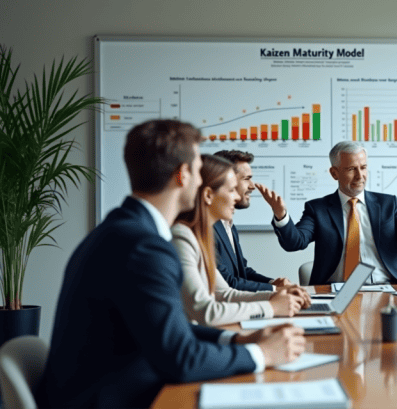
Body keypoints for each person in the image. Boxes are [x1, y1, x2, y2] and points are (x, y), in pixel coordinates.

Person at [36, 120, 305, 408]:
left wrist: (237, 341)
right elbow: (181, 359)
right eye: (199, 171)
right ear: (183, 175)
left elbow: (171, 329)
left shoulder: (125, 229)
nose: (204, 182)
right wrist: (263, 354)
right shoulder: (144, 247)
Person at [257, 141, 397, 285]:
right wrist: (281, 215)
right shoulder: (317, 208)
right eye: (351, 169)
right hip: (335, 291)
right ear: (334, 173)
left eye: (363, 167)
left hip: (387, 287)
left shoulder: (387, 204)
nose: (360, 176)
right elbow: (295, 242)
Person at [172, 154, 308, 326]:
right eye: (231, 190)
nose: (236, 197)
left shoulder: (199, 234)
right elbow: (205, 312)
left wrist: (275, 295)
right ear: (208, 195)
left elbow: (224, 293)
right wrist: (271, 306)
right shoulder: (182, 237)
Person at [213, 149, 293, 292]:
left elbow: (241, 272)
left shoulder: (227, 224)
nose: (252, 186)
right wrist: (274, 289)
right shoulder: (208, 228)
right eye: (246, 179)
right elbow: (227, 282)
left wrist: (273, 283)